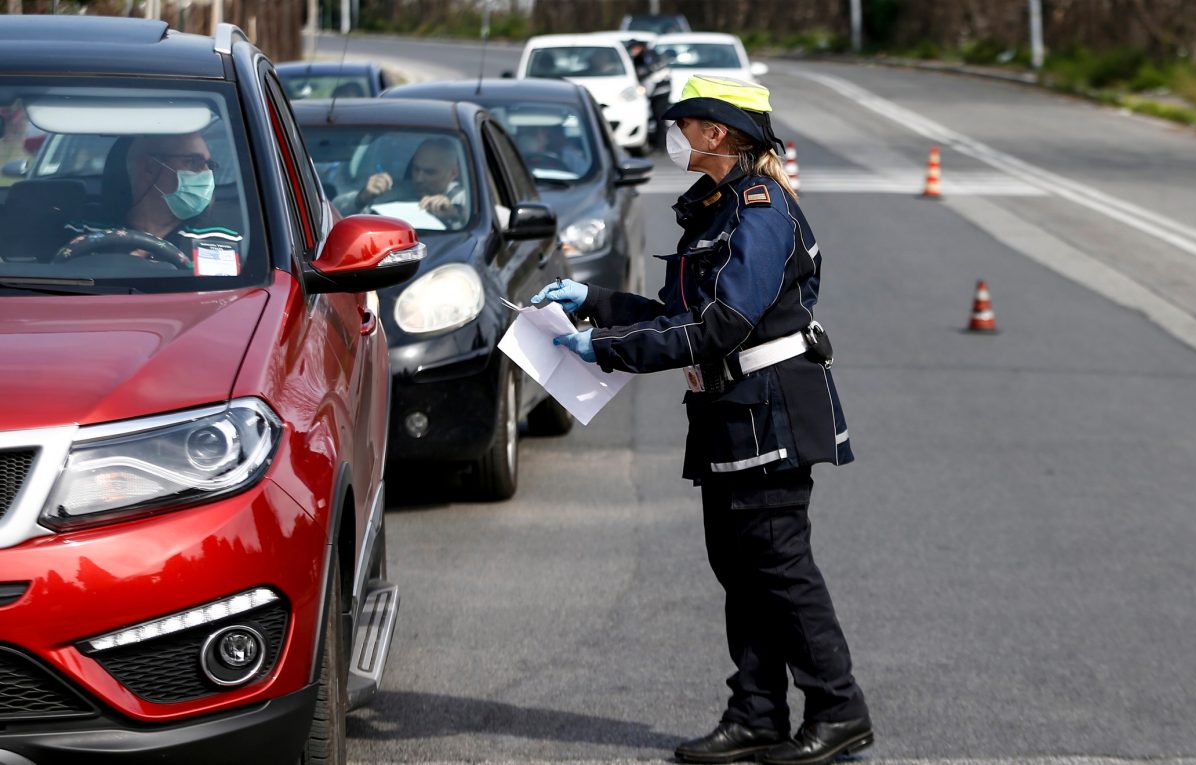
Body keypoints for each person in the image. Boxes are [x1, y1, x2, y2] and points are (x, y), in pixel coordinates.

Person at [531, 75, 872, 765]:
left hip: (771, 416)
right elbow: (674, 313)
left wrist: (605, 349)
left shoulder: (761, 209)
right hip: (727, 416)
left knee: (780, 568)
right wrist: (598, 303)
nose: (675, 134)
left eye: (685, 122)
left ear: (718, 132)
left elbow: (724, 323)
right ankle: (756, 711)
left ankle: (840, 708)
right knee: (740, 569)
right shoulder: (716, 209)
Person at [59, 131, 242, 270]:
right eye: (193, 162)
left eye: (209, 165)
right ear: (150, 167)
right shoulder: (84, 231)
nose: (206, 174)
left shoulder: (219, 239)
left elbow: (220, 303)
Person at [338, 136, 467, 227]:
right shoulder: (394, 191)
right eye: (416, 169)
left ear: (453, 174)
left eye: (429, 172)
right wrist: (362, 197)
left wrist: (455, 215)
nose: (419, 178)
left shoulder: (467, 201)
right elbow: (335, 212)